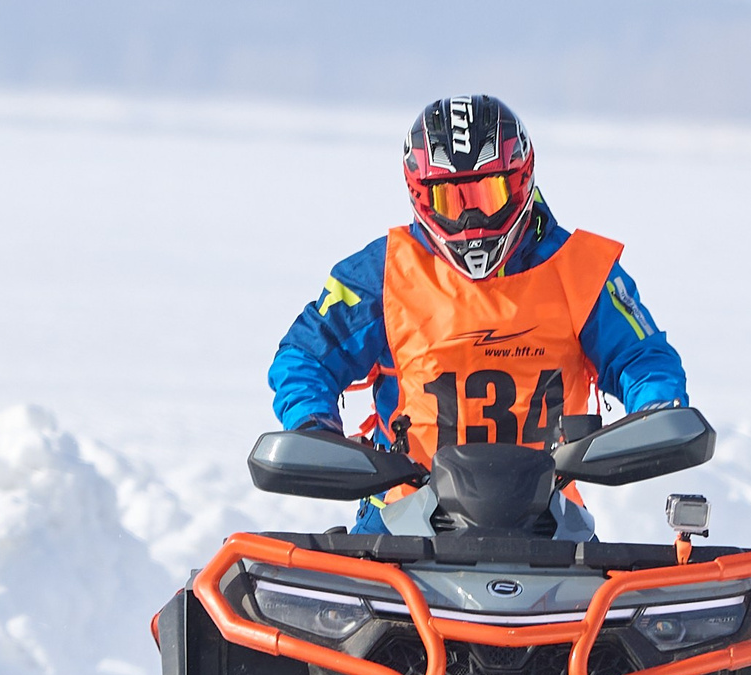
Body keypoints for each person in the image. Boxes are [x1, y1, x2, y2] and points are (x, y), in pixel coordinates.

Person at [269, 95, 688, 530]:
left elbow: (643, 358)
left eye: (489, 194)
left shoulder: (583, 271)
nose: (472, 219)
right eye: (452, 200)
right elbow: (305, 356)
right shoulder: (384, 273)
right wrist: (313, 427)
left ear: (522, 181)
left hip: (548, 522)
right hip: (401, 520)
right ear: (421, 197)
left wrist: (654, 411)